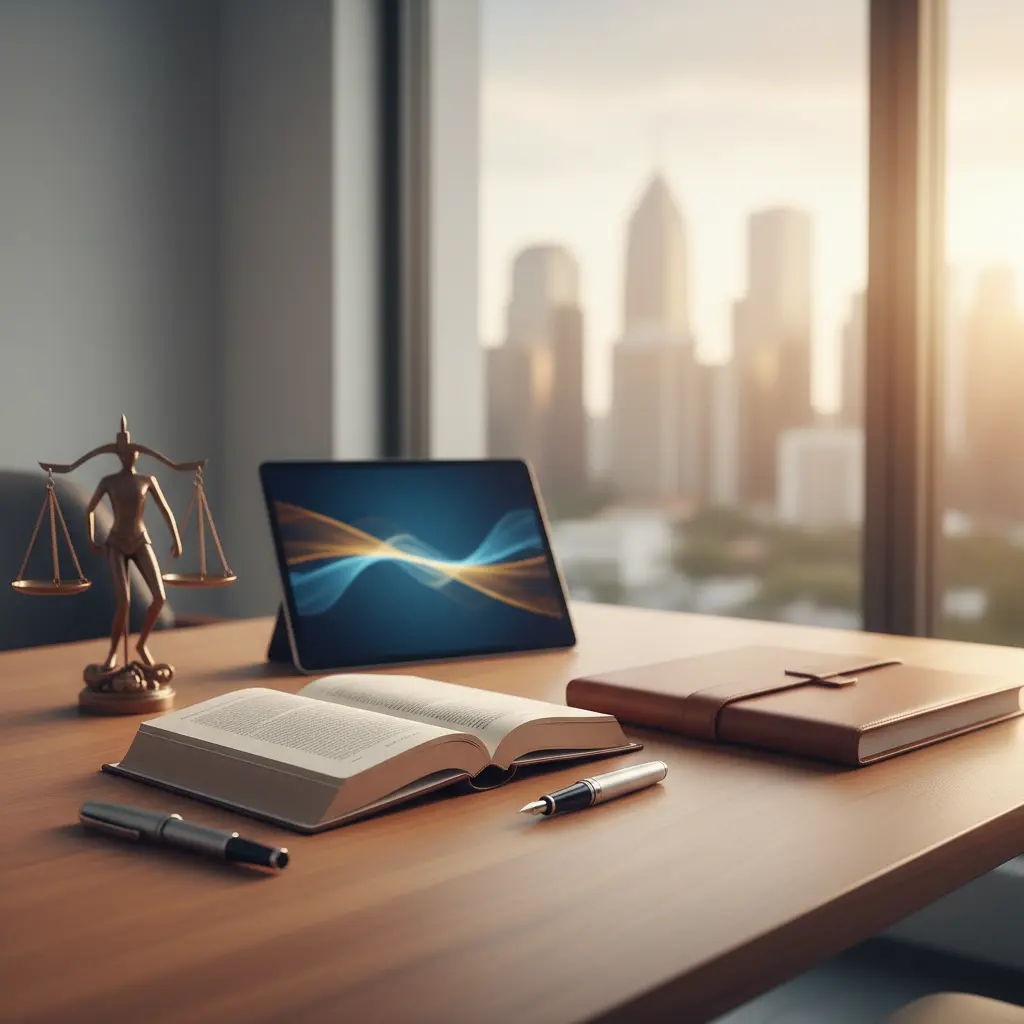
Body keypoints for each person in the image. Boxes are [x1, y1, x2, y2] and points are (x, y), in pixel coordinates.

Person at [85, 417, 182, 671]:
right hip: (116, 542)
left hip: (140, 540)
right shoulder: (109, 481)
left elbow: (166, 511)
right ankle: (113, 654)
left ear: (138, 455)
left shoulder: (147, 480)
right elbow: (90, 510)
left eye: (134, 452)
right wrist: (90, 538)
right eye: (125, 453)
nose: (130, 457)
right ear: (119, 455)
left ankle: (141, 645)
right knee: (124, 602)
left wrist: (177, 539)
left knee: (159, 598)